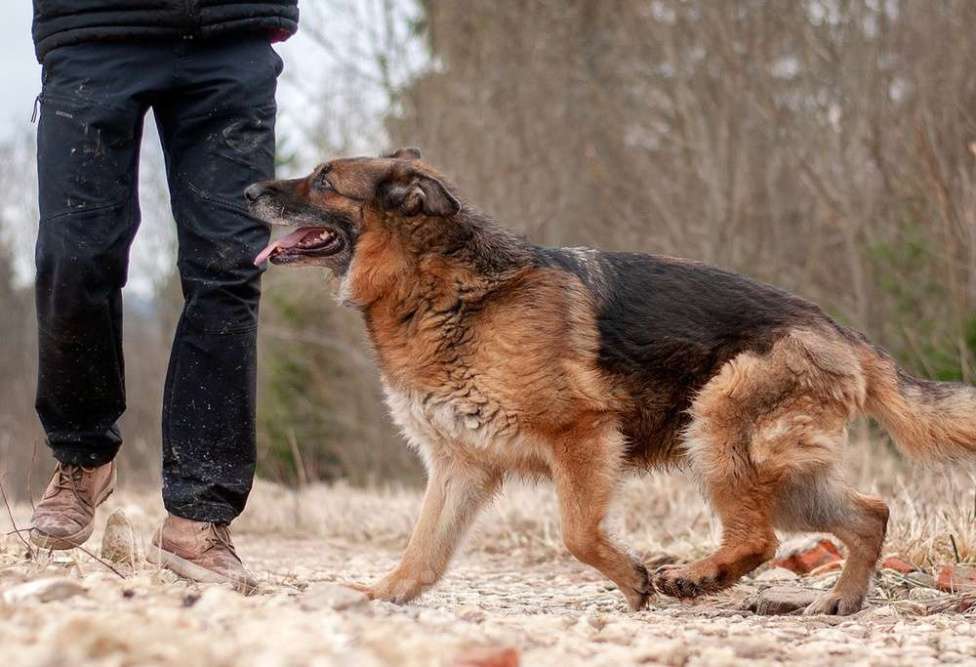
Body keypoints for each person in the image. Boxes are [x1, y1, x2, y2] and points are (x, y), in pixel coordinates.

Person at [29, 0, 299, 592]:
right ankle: (82, 457)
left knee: (229, 267)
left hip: (232, 30)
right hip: (91, 27)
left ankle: (198, 516)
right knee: (74, 255)